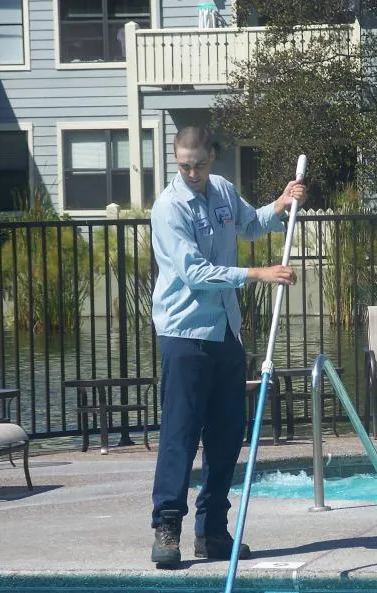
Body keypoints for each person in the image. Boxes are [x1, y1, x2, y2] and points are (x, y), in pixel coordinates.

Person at [149, 126, 305, 567]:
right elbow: (195, 272)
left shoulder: (221, 190)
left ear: (211, 157)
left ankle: (213, 531)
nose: (192, 172)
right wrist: (258, 275)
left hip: (225, 333)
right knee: (180, 434)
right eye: (183, 165)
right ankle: (166, 527)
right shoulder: (169, 208)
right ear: (176, 160)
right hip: (184, 334)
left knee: (226, 436)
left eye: (198, 163)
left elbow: (252, 225)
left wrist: (281, 202)